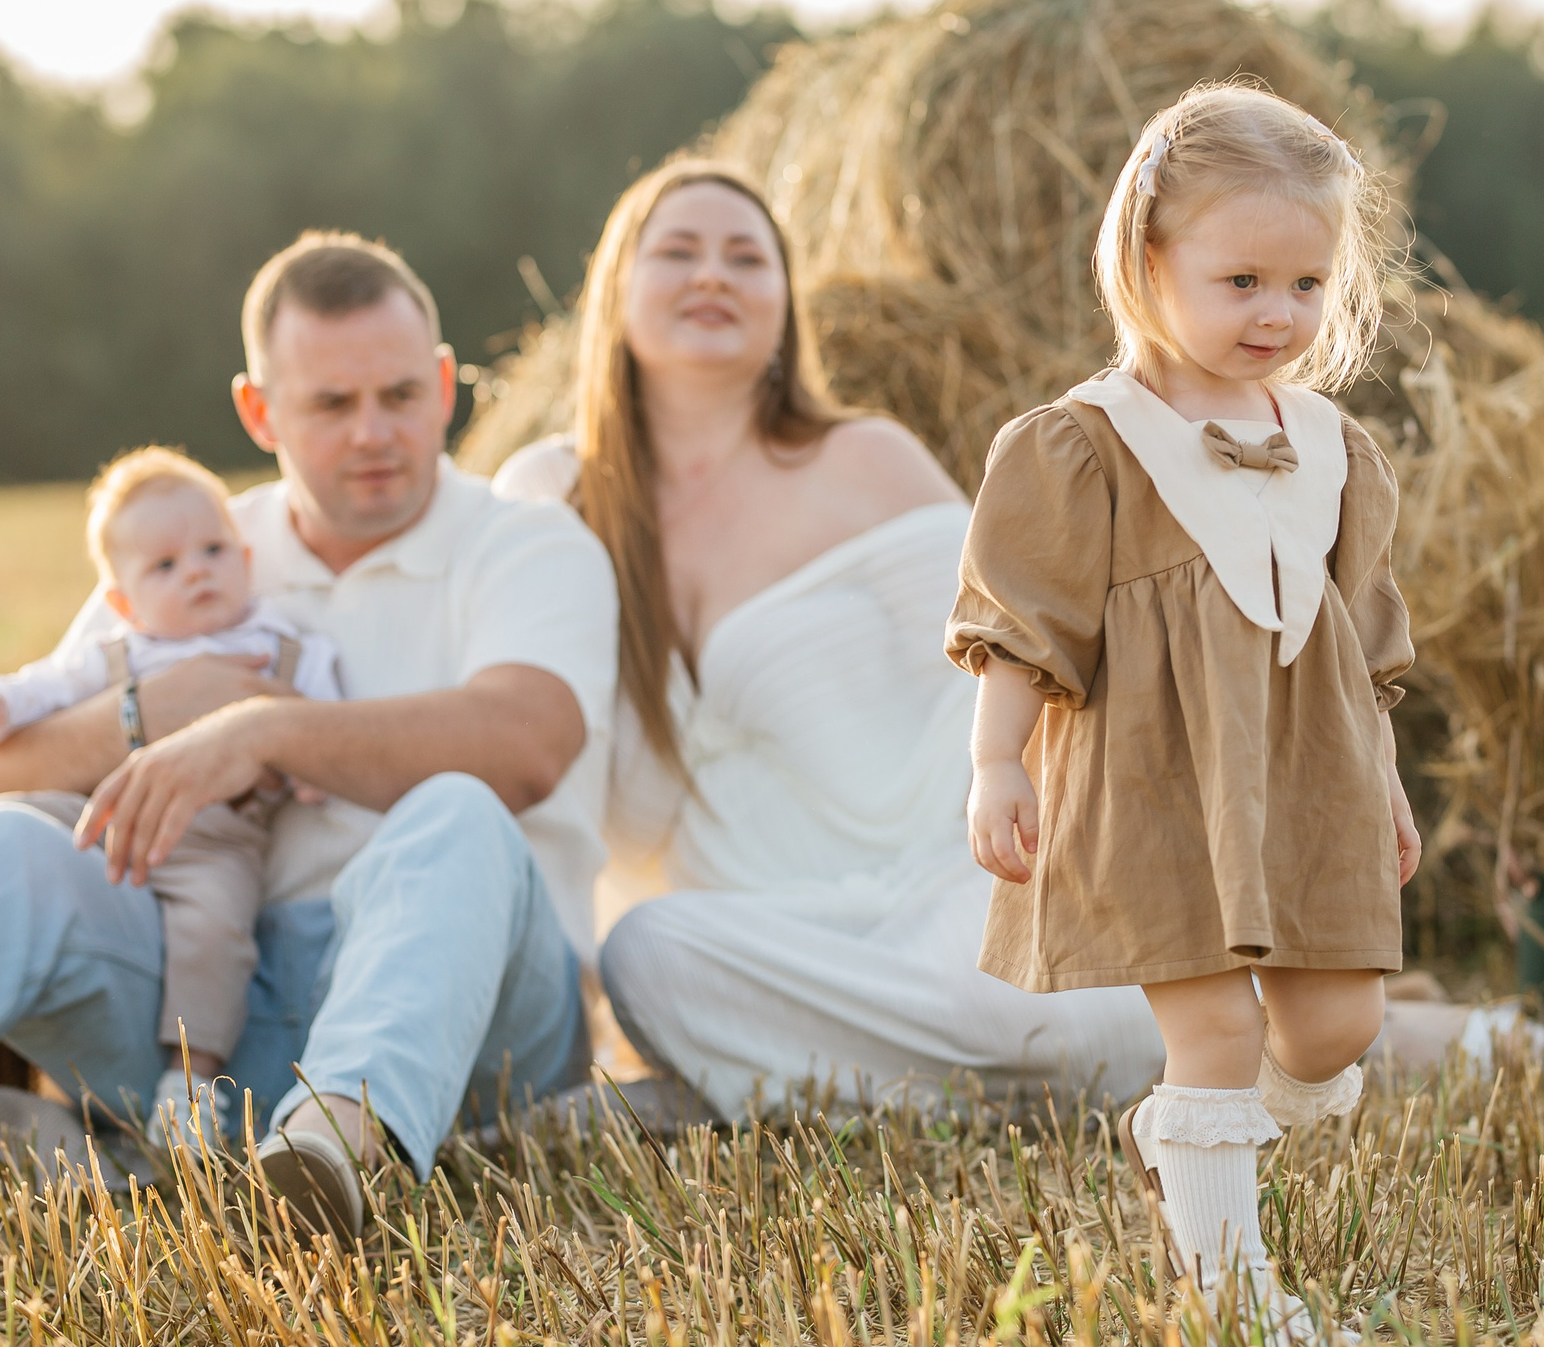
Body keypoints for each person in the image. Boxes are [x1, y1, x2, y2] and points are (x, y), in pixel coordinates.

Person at [0, 232, 615, 1248]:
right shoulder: (197, 541)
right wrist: (154, 709)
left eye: (401, 395)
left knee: (455, 808)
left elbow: (527, 743)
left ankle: (337, 1149)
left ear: (447, 385)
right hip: (213, 1004)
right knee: (13, 842)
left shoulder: (524, 542)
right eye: (332, 404)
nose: (374, 432)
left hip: (473, 1010)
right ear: (259, 410)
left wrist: (261, 730)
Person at [495, 157, 1163, 1121]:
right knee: (645, 952)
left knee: (996, 990)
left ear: (784, 305)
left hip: (948, 876)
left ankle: (751, 1090)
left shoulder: (864, 459)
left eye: (746, 257)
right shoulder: (555, 494)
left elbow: (1023, 651)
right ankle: (947, 1080)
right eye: (677, 252)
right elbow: (575, 774)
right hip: (782, 932)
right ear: (615, 292)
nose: (712, 274)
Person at [949, 83, 1418, 1347]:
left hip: (1309, 770)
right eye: (1242, 280)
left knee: (1335, 1026)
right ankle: (1233, 1301)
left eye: (1307, 284)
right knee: (1213, 1025)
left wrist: (1381, 781)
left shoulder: (1333, 447)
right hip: (1159, 774)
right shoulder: (1085, 445)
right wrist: (998, 760)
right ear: (1148, 262)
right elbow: (1023, 623)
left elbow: (1359, 645)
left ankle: (1188, 1140)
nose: (1278, 314)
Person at [0, 445, 346, 1149]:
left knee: (216, 934)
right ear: (123, 603)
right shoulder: (119, 652)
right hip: (108, 822)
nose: (195, 570)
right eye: (165, 565)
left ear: (245, 560)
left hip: (213, 843)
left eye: (212, 551)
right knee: (15, 831)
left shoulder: (285, 647)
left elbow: (328, 728)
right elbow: (46, 686)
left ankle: (190, 1083)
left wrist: (311, 767)